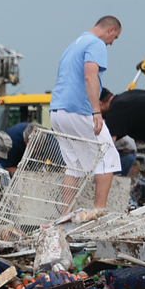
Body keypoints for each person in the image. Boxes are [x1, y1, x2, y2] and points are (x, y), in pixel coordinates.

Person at [50, 16, 123, 209]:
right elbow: (90, 76)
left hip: (57, 111)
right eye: (114, 37)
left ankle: (65, 215)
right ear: (110, 29)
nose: (111, 43)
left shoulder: (73, 45)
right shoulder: (96, 43)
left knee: (73, 166)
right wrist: (96, 112)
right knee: (108, 157)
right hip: (78, 110)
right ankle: (98, 212)